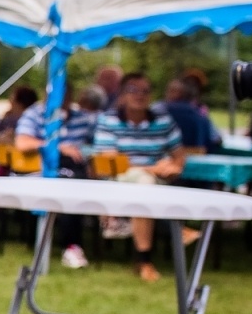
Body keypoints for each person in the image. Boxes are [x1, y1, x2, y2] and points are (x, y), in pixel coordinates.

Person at [94, 73, 186, 282]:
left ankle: (147, 253)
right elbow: (113, 162)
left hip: (157, 181)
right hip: (119, 180)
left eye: (145, 91)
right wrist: (154, 168)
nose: (140, 96)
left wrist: (173, 166)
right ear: (123, 94)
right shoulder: (108, 121)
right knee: (145, 184)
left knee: (149, 184)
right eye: (134, 90)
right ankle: (145, 259)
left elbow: (179, 155)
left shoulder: (163, 121)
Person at [14, 84, 99, 268]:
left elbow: (97, 144)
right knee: (69, 186)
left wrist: (84, 153)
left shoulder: (82, 118)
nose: (63, 98)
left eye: (66, 93)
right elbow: (22, 142)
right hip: (42, 170)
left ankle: (73, 244)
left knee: (75, 183)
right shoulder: (35, 114)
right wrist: (58, 147)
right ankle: (71, 245)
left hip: (78, 171)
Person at [159, 78, 217, 154]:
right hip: (196, 158)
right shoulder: (199, 114)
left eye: (171, 91)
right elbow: (215, 138)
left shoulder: (158, 110)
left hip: (165, 157)